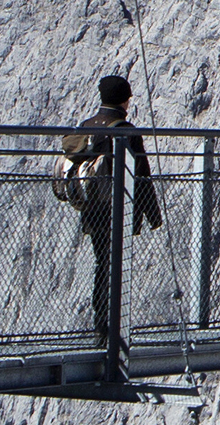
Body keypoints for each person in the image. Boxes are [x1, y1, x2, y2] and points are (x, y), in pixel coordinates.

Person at [58, 75, 164, 337]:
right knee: (115, 266)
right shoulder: (126, 130)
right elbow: (141, 177)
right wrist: (153, 216)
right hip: (118, 211)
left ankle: (101, 324)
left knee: (102, 263)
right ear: (125, 100)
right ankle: (112, 328)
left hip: (91, 209)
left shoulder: (85, 127)